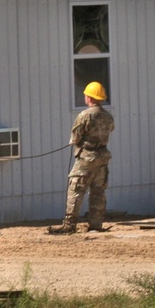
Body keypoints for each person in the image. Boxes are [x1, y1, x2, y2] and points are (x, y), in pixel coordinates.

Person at [48, 82, 115, 234]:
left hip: (86, 157)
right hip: (103, 157)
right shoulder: (108, 117)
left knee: (76, 189)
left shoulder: (84, 116)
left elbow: (75, 137)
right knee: (98, 191)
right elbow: (110, 129)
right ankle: (96, 225)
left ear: (89, 97)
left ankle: (69, 225)